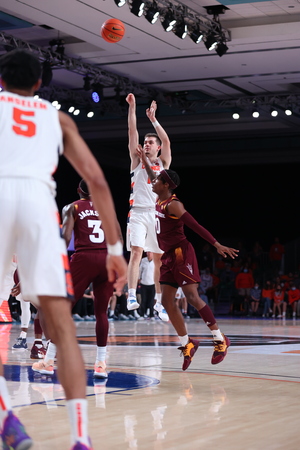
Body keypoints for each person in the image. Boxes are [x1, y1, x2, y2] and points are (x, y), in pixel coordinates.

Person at [0, 49, 127, 450]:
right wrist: (116, 248)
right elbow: (99, 182)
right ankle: (80, 437)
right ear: (40, 84)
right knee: (64, 328)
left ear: (1, 81)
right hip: (40, 204)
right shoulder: (57, 119)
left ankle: (6, 417)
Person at [138, 147, 238, 370]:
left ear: (166, 185)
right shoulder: (159, 194)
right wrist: (144, 158)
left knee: (192, 296)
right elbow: (154, 175)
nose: (153, 181)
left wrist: (216, 244)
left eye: (158, 180)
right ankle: (188, 343)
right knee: (166, 301)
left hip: (182, 253)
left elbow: (196, 226)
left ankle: (220, 339)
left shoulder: (174, 204)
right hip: (167, 256)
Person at [32, 179, 123, 379]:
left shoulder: (71, 207)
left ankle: (48, 361)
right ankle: (100, 364)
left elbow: (65, 238)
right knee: (101, 312)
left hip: (84, 258)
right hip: (107, 258)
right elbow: (119, 239)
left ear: (78, 191)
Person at [125, 93, 171, 322]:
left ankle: (159, 303)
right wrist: (132, 109)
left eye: (151, 142)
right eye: (146, 142)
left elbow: (168, 141)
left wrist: (153, 120)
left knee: (159, 259)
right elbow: (132, 132)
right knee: (136, 252)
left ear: (158, 148)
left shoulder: (163, 164)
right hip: (137, 213)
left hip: (156, 214)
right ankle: (131, 294)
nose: (146, 143)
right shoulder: (136, 160)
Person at [139, 252, 156, 319]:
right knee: (143, 300)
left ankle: (151, 315)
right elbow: (140, 270)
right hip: (144, 283)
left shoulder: (155, 261)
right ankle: (142, 315)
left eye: (150, 253)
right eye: (148, 252)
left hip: (152, 283)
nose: (148, 254)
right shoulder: (143, 260)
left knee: (151, 300)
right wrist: (139, 278)